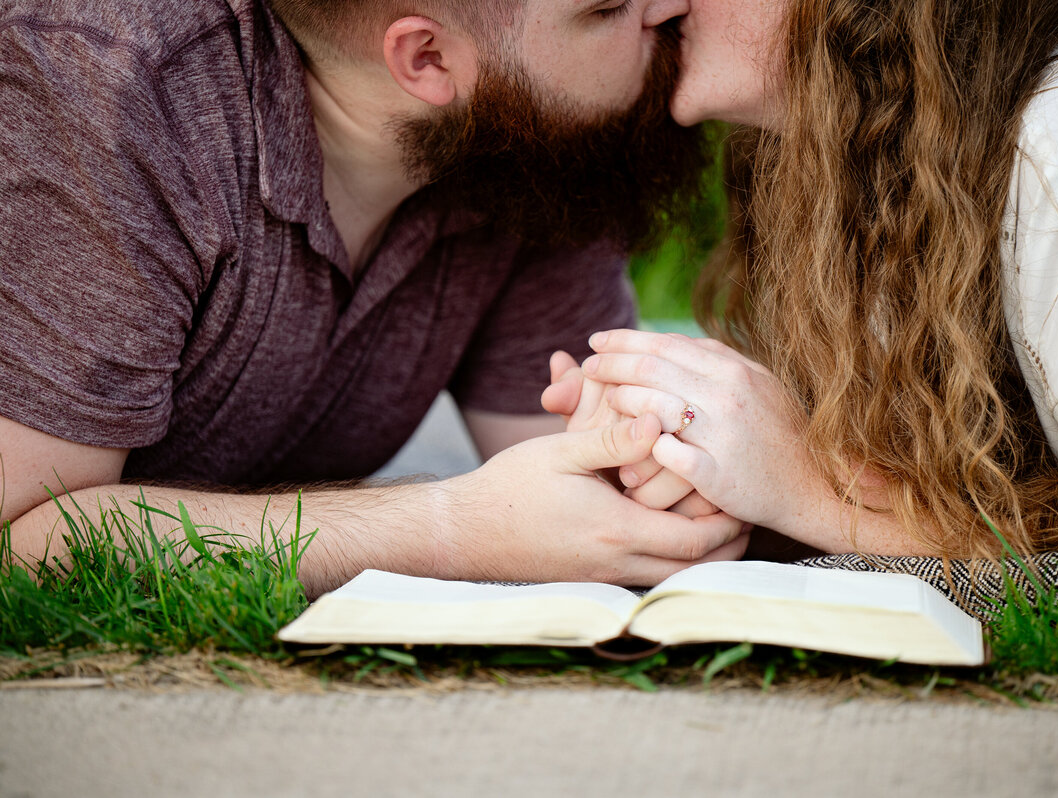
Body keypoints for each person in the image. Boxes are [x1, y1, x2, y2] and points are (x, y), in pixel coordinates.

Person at [0, 0, 753, 594]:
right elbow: (16, 538)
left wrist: (647, 477)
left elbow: (563, 482)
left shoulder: (537, 147)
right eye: (607, 6)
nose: (672, 6)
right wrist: (452, 529)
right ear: (425, 59)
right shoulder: (112, 92)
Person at [545, 0, 1058, 559]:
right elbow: (960, 514)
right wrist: (701, 466)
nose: (655, 7)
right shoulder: (857, 153)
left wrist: (804, 483)